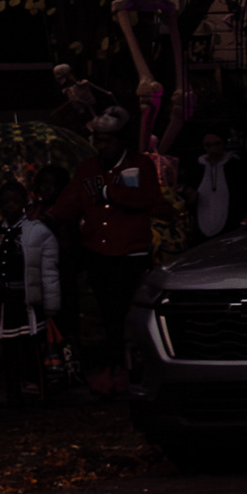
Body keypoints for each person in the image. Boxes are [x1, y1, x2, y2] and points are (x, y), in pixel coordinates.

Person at [65, 112, 182, 389]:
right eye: (98, 140)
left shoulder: (138, 165)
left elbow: (145, 198)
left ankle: (127, 368)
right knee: (107, 312)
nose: (102, 146)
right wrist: (45, 215)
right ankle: (116, 367)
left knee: (122, 310)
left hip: (130, 251)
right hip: (97, 250)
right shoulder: (88, 168)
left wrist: (110, 194)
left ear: (120, 140)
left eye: (108, 140)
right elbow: (71, 200)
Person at [0, 185, 65, 407]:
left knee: (32, 345)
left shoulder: (37, 231)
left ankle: (38, 388)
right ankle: (13, 392)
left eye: (14, 201)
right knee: (8, 348)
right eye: (5, 201)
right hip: (4, 298)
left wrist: (51, 304)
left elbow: (48, 270)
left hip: (28, 299)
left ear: (23, 203)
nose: (10, 206)